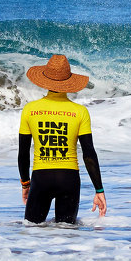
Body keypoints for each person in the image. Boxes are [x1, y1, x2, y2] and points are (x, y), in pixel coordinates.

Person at [17, 54, 106, 224]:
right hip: (69, 179)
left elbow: (23, 153)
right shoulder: (80, 111)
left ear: (45, 79)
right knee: (67, 238)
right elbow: (89, 154)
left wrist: (25, 183)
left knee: (31, 234)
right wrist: (99, 190)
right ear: (68, 81)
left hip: (41, 178)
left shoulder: (30, 110)